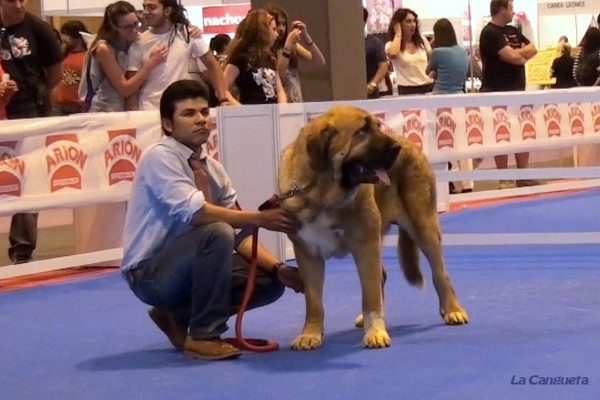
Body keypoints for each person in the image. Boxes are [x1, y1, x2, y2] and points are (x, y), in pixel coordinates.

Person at [120, 79, 304, 361]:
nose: (201, 120)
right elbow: (198, 214)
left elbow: (241, 235)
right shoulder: (158, 157)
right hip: (149, 275)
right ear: (168, 125)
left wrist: (280, 269)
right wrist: (260, 218)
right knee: (216, 231)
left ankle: (177, 315)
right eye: (189, 114)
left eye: (205, 112)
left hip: (184, 267)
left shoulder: (213, 169)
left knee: (269, 282)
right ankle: (204, 336)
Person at [0, 0, 63, 264]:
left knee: (28, 179)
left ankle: (23, 250)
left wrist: (35, 95)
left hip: (30, 112)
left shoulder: (37, 28)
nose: (20, 5)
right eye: (13, 0)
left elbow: (55, 73)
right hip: (3, 112)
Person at [479, 0, 537, 189]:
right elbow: (511, 57)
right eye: (511, 8)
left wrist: (516, 54)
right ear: (502, 9)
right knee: (501, 135)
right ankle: (505, 178)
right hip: (496, 92)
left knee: (522, 133)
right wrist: (519, 55)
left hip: (518, 90)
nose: (513, 11)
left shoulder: (512, 30)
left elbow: (533, 49)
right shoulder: (489, 33)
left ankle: (523, 175)